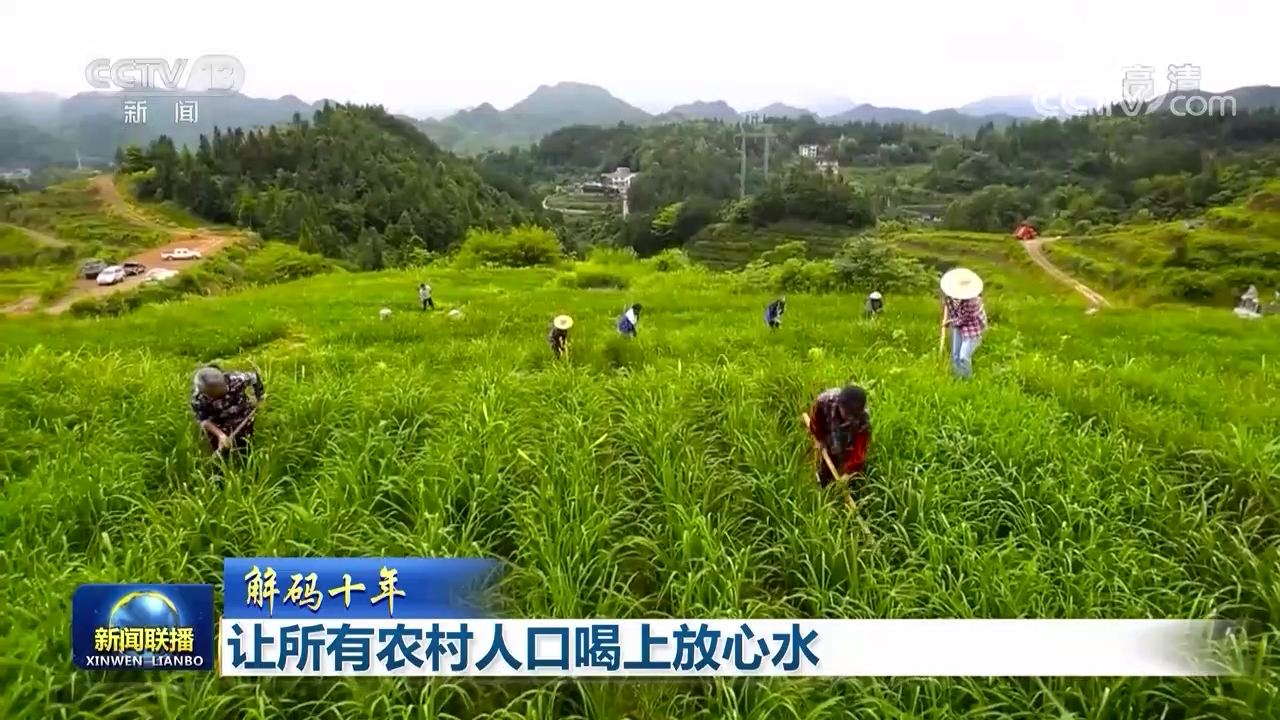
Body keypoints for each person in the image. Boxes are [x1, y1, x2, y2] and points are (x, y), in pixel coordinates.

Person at [805, 385, 871, 491]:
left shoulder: (863, 417)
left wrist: (849, 472)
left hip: (848, 438)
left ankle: (848, 483)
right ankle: (822, 484)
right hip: (829, 428)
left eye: (853, 416)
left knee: (849, 464)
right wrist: (819, 439)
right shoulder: (824, 401)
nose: (850, 418)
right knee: (825, 460)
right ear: (840, 405)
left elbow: (860, 446)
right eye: (847, 414)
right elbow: (816, 420)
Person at [190, 365, 264, 456]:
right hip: (219, 423)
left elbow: (254, 378)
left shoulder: (237, 379)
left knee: (245, 443)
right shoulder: (198, 398)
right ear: (206, 392)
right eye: (216, 395)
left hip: (243, 416)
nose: (223, 392)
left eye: (223, 388)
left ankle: (245, 454)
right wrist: (220, 435)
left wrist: (260, 398)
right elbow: (203, 420)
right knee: (222, 449)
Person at [940, 268, 987, 380]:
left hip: (972, 330)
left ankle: (968, 379)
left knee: (964, 357)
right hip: (958, 326)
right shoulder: (950, 297)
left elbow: (965, 319)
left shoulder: (973, 301)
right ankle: (957, 378)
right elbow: (954, 313)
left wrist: (950, 322)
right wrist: (951, 320)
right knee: (955, 355)